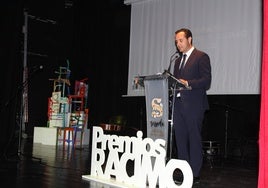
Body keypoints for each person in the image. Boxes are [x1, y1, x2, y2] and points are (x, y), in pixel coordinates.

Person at [172, 28, 211, 185]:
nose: (178, 44)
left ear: (190, 39)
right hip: (178, 104)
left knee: (194, 138)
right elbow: (174, 81)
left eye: (180, 40)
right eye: (176, 42)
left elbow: (206, 81)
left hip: (194, 105)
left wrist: (188, 83)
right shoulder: (176, 61)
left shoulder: (201, 57)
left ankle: (194, 173)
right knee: (180, 139)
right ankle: (184, 171)